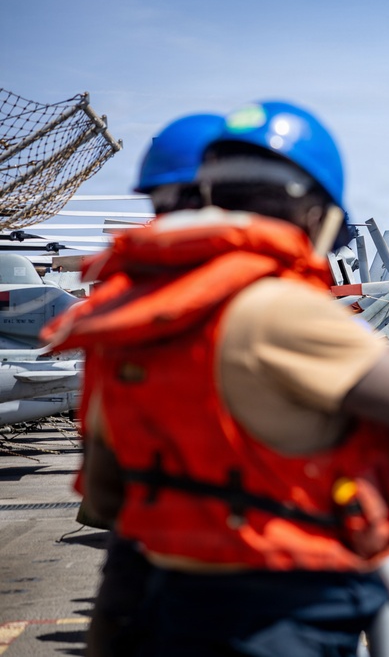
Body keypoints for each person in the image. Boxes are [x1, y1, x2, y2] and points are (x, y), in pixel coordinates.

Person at [42, 101, 389, 657]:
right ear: (312, 214)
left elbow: (105, 494)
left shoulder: (123, 322)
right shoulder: (276, 307)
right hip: (283, 612)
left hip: (169, 602)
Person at [77, 111, 226, 657]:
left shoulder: (116, 309)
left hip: (147, 557)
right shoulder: (272, 301)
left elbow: (101, 483)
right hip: (260, 574)